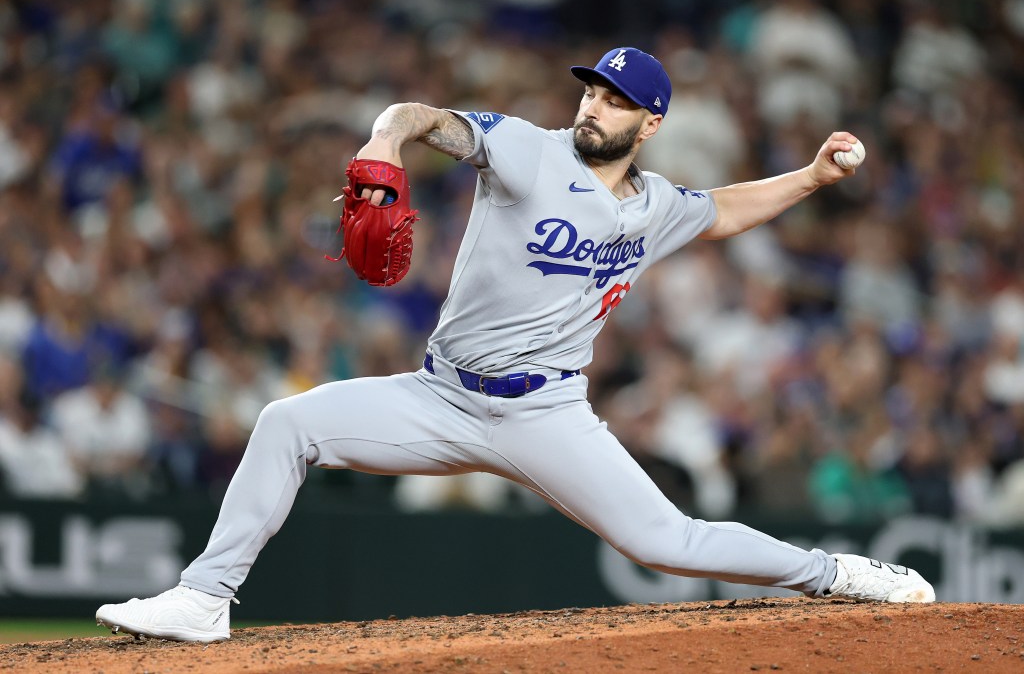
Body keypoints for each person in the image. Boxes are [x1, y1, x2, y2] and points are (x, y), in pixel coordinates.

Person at [96, 47, 935, 643]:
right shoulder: (527, 152)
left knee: (665, 544)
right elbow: (427, 119)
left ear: (650, 122)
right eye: (591, 92)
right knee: (287, 421)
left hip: (548, 412)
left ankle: (840, 575)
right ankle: (205, 598)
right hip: (440, 397)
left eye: (613, 99)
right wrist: (386, 138)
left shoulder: (657, 208)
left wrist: (815, 178)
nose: (592, 105)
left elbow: (727, 207)